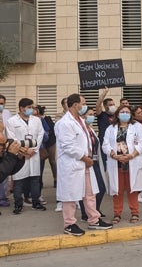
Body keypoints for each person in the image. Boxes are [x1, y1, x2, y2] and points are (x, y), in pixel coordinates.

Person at [55, 93, 112, 236]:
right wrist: (84, 157)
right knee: (70, 196)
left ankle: (94, 219)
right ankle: (69, 224)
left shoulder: (80, 120)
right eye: (83, 103)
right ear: (75, 105)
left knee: (90, 193)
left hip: (85, 164)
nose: (85, 106)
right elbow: (68, 146)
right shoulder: (65, 123)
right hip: (73, 164)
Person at [102, 105, 142, 223]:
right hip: (117, 163)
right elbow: (105, 145)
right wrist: (114, 155)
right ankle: (117, 213)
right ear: (117, 114)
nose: (125, 114)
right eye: (122, 112)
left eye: (127, 112)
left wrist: (131, 155)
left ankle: (135, 213)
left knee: (133, 189)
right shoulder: (110, 128)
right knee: (117, 190)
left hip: (132, 162)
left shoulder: (137, 127)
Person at [6, 98, 46, 214]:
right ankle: (18, 204)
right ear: (21, 108)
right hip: (20, 155)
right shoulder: (12, 121)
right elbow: (12, 137)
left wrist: (33, 149)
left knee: (35, 179)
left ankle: (36, 202)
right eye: (29, 108)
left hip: (33, 154)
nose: (31, 110)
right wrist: (24, 150)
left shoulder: (36, 120)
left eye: (32, 107)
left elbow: (40, 134)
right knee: (19, 181)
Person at [78, 108, 107, 220]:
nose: (92, 117)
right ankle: (86, 213)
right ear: (83, 116)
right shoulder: (81, 129)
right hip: (86, 162)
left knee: (101, 187)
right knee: (85, 190)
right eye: (90, 115)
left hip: (95, 162)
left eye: (93, 115)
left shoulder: (91, 129)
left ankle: (95, 209)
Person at [36, 105, 57, 189]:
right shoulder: (34, 120)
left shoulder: (47, 119)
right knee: (41, 163)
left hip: (50, 142)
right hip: (41, 144)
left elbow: (51, 129)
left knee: (52, 161)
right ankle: (40, 182)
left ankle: (56, 179)